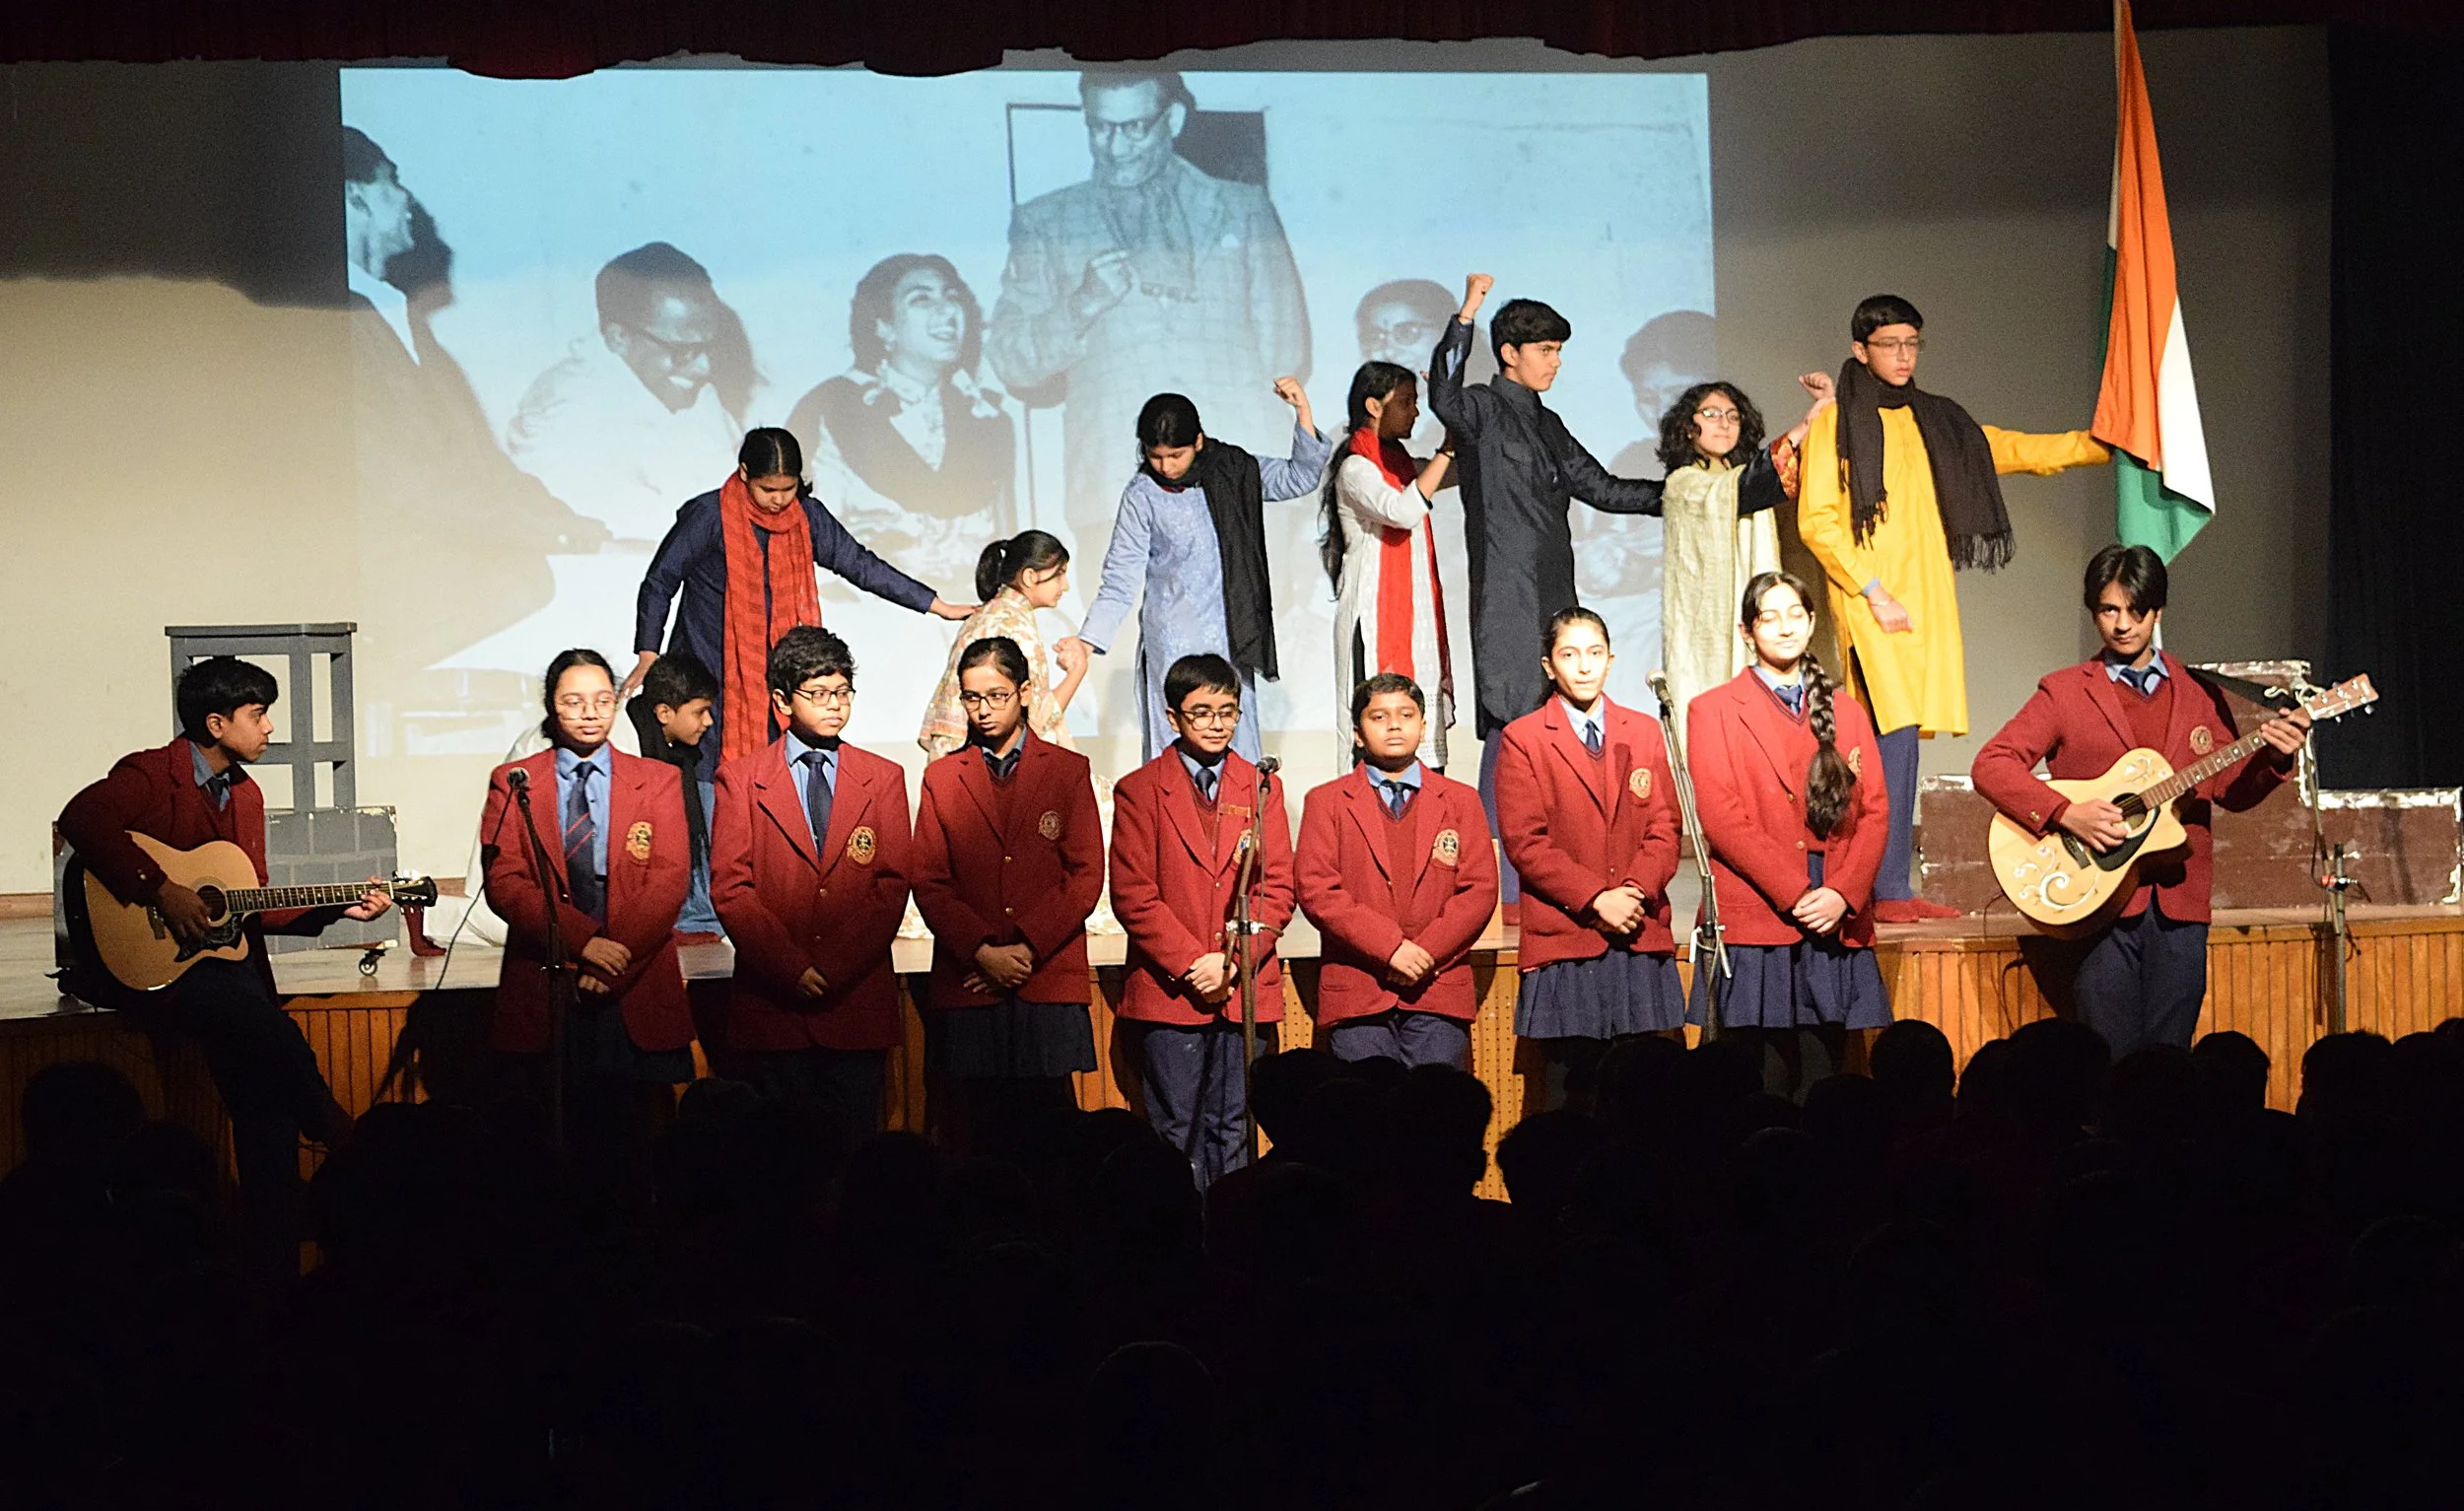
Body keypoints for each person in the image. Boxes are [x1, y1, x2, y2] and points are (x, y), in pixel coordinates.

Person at [57, 656, 392, 1279]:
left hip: (219, 975)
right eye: (258, 714)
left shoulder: (245, 793)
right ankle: (331, 1122)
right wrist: (160, 888)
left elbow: (244, 904)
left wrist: (336, 908)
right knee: (261, 1025)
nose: (269, 729)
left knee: (264, 1099)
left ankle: (276, 1268)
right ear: (216, 722)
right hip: (141, 965)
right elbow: (83, 817)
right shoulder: (151, 774)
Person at [1797, 294, 2112, 921]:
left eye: (1912, 343)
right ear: (1861, 350)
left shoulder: (1934, 420)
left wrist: (2103, 445)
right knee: (1889, 740)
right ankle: (1881, 888)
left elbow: (2012, 449)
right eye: (1889, 345)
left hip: (1927, 600)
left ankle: (1883, 887)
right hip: (1872, 604)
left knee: (1902, 743)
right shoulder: (1838, 423)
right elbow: (1818, 523)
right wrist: (1873, 592)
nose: (1903, 356)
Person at [1971, 545, 2310, 1058]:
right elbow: (1991, 764)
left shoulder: (2198, 692)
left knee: (2172, 1056)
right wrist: (2068, 813)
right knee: (2109, 1055)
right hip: (2096, 899)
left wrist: (2274, 758)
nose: (2123, 625)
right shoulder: (2065, 692)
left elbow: (2229, 789)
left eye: (2136, 611)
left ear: (2158, 612)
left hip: (2180, 904)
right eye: (2109, 610)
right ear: (2093, 612)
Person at [986, 67, 1308, 553]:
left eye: (1133, 127)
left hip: (1235, 475)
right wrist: (1083, 304)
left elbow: (1285, 347)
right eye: (1100, 127)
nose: (1115, 148)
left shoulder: (1242, 208)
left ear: (1172, 119)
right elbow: (1012, 359)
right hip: (1115, 485)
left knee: (1253, 626)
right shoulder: (1045, 222)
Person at [344, 126, 605, 714]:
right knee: (535, 586)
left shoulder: (405, 327)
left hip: (446, 548)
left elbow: (479, 462)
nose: (407, 201)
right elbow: (392, 477)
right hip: (391, 571)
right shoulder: (331, 328)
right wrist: (528, 532)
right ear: (354, 196)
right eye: (392, 185)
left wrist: (563, 519)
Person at [1429, 273, 1665, 905]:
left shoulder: (1549, 421)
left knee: (1554, 727)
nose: (1555, 362)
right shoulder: (1479, 406)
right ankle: (1490, 884)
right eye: (1545, 350)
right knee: (1511, 725)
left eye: (1559, 351)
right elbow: (1442, 394)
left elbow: (1603, 486)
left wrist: (1684, 494)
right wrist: (1470, 310)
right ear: (1510, 352)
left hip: (1556, 593)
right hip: (1506, 593)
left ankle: (1543, 879)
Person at [629, 427, 974, 767]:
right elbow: (660, 581)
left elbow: (860, 565)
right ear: (745, 473)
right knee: (708, 771)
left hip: (775, 673)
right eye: (767, 489)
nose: (778, 500)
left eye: (788, 489)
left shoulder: (807, 516)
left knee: (775, 768)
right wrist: (648, 654)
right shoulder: (709, 515)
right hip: (710, 667)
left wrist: (935, 605)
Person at [1685, 572, 1892, 1100]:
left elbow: (1873, 813)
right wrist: (1797, 893)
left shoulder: (1845, 710)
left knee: (1827, 1075)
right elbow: (1722, 815)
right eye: (1769, 618)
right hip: (1760, 907)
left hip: (1832, 908)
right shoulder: (1712, 709)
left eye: (1795, 615)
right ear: (1746, 632)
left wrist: (1841, 894)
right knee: (1763, 1081)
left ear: (1812, 622)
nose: (1784, 628)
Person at [710, 627, 914, 1143]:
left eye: (842, 692)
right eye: (818, 694)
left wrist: (836, 965)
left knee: (855, 1150)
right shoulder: (741, 778)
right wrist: (791, 965)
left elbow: (890, 884)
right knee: (781, 1156)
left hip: (855, 998)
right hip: (774, 1003)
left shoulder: (883, 777)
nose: (835, 706)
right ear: (782, 700)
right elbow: (732, 886)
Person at [479, 650, 694, 1135]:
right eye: (574, 702)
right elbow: (506, 881)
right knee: (554, 1137)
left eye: (601, 700)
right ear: (552, 707)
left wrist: (611, 959)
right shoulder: (515, 781)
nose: (590, 713)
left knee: (638, 1133)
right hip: (548, 971)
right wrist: (583, 943)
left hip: (633, 973)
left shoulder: (657, 780)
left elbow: (668, 878)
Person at [1061, 381, 1332, 763]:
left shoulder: (1233, 472)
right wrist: (1087, 641)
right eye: (1156, 456)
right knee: (1173, 751)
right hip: (1171, 641)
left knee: (1235, 747)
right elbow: (1121, 578)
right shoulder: (1142, 494)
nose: (1167, 466)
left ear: (1199, 442)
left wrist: (1302, 409)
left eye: (1176, 455)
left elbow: (1298, 478)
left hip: (1230, 636)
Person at [909, 636, 1106, 1151]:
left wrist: (1026, 946)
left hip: (1045, 976)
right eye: (972, 697)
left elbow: (1085, 874)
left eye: (996, 695)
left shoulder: (1067, 770)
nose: (983, 709)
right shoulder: (943, 778)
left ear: (1023, 692)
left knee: (1051, 1133)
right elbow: (929, 879)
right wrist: (982, 951)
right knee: (975, 1134)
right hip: (970, 977)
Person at [1107, 653, 1296, 1187]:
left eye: (1228, 712)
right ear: (1173, 718)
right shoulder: (1140, 788)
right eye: (1202, 712)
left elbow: (1276, 887)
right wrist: (1195, 963)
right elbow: (1134, 894)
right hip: (1172, 993)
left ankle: (1234, 1246)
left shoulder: (1260, 786)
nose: (1217, 724)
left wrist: (1233, 963)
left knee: (1234, 1128)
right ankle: (1180, 1246)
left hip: (1244, 988)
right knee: (1177, 1130)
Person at [1492, 610, 1682, 1113]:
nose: (1583, 667)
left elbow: (1665, 827)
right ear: (1549, 666)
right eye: (1569, 655)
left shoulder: (1642, 731)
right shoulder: (1525, 737)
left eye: (1594, 654)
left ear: (1611, 660)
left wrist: (1634, 892)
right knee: (1574, 1093)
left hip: (1639, 930)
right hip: (1569, 936)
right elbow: (1525, 841)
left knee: (1649, 1093)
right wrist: (1597, 898)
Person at [1295, 674, 1500, 1070]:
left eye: (1406, 714)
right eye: (1379, 716)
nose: (1394, 724)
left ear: (1423, 727)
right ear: (1357, 733)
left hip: (1436, 983)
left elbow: (1479, 890)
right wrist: (1390, 948)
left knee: (1434, 1119)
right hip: (1359, 987)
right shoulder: (1326, 802)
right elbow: (1318, 890)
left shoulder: (1460, 800)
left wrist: (1423, 953)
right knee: (1367, 1115)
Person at [787, 253, 1016, 599]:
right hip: (868, 610)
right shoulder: (834, 406)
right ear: (883, 326)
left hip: (966, 607)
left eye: (951, 297)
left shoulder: (987, 417)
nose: (946, 312)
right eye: (922, 299)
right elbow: (808, 542)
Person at [506, 241, 757, 542]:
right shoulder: (569, 406)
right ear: (618, 338)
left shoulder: (686, 385)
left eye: (708, 347)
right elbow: (595, 538)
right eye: (683, 350)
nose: (704, 368)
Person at [1657, 378, 1833, 731]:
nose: (1724, 422)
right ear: (1687, 428)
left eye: (1733, 416)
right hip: (1706, 627)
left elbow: (1780, 481)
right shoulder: (1684, 483)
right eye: (1711, 413)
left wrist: (1826, 411)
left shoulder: (1741, 478)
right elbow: (1745, 487)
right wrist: (1803, 426)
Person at [1321, 362, 1458, 770]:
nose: (1415, 412)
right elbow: (1401, 510)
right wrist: (1446, 448)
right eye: (1407, 403)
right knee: (1377, 733)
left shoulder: (1399, 465)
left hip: (1416, 621)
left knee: (1419, 733)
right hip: (1373, 622)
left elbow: (1451, 476)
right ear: (1373, 406)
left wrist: (1456, 411)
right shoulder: (1356, 468)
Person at [919, 530, 1088, 758]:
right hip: (985, 764)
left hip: (956, 759)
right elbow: (1038, 720)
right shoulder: (1015, 627)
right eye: (1059, 574)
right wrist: (1077, 671)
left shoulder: (989, 613)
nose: (1065, 585)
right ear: (1029, 577)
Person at [623, 651, 721, 941]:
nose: (708, 722)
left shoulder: (682, 755)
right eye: (699, 712)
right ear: (664, 712)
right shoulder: (628, 745)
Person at [1609, 310, 1718, 477]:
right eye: (1647, 398)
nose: (1662, 412)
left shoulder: (1754, 464)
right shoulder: (1629, 462)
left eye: (1676, 394)